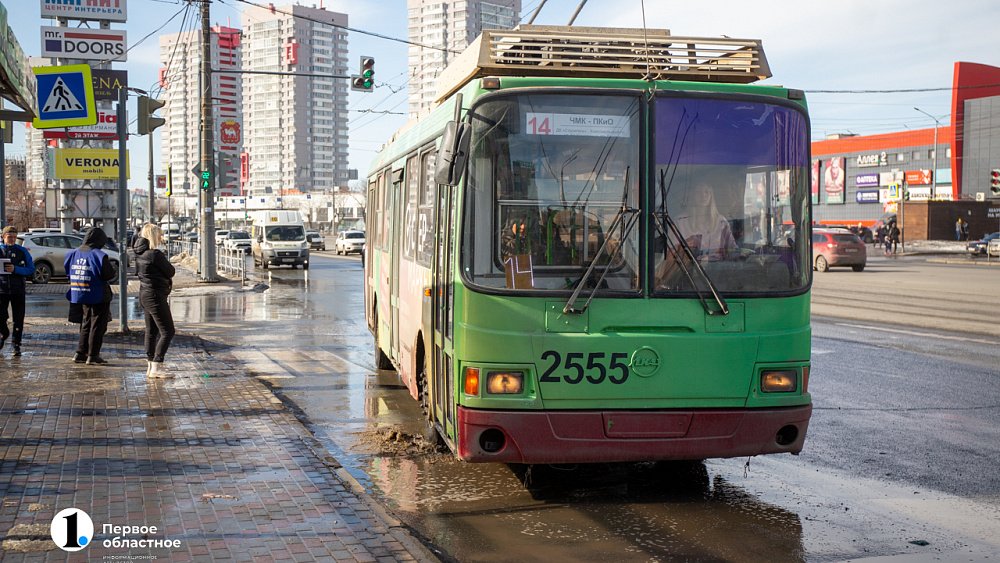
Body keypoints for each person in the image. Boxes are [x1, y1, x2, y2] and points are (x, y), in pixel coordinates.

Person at [656, 182, 736, 287]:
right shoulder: (680, 222)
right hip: (685, 280)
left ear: (711, 195)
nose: (703, 195)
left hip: (717, 281)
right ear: (692, 195)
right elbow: (671, 255)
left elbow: (732, 251)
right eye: (698, 192)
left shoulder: (721, 222)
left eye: (706, 192)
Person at [65, 228, 116, 365]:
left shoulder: (74, 253)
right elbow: (108, 275)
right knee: (98, 325)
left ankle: (80, 353)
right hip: (98, 294)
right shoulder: (99, 255)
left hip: (80, 291)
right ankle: (93, 355)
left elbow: (67, 270)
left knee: (86, 322)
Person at [134, 223, 176, 378]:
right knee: (168, 331)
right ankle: (157, 366)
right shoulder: (155, 254)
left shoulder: (139, 253)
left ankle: (151, 367)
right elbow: (171, 271)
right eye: (159, 234)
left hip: (145, 294)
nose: (161, 237)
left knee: (151, 331)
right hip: (155, 295)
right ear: (153, 236)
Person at [0, 226, 34, 357]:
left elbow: (31, 269)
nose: (12, 239)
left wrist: (16, 269)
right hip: (1, 290)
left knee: (18, 319)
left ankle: (16, 344)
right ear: (3, 237)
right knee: (1, 317)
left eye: (15, 237)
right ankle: (4, 333)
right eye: (10, 237)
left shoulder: (22, 251)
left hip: (17, 289)